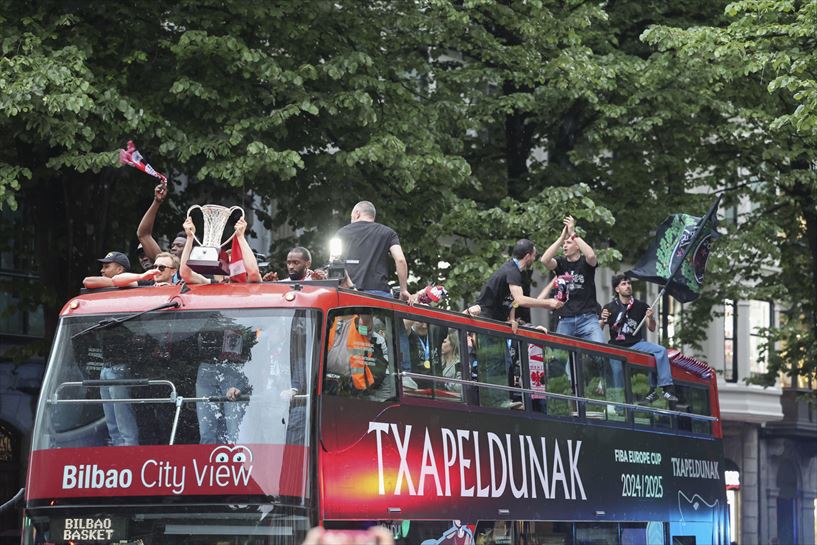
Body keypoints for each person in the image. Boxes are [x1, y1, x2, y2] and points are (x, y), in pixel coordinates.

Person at [600, 274, 678, 403]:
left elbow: (652, 328)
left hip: (636, 344)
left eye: (629, 283)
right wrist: (602, 320)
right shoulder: (609, 307)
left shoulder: (641, 306)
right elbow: (599, 329)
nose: (628, 286)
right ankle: (620, 406)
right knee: (617, 373)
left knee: (660, 350)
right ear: (617, 289)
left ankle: (665, 388)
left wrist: (651, 317)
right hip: (616, 347)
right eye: (623, 284)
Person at [540, 215, 605, 343]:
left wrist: (573, 234)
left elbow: (591, 256)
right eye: (564, 244)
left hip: (588, 319)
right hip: (565, 319)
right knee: (561, 358)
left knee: (600, 354)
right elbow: (544, 260)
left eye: (568, 243)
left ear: (577, 246)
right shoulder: (560, 263)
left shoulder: (585, 262)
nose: (564, 246)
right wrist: (561, 238)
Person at [466, 239, 564, 321]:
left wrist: (512, 319)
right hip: (487, 317)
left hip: (496, 318)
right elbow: (520, 300)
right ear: (527, 256)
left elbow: (512, 300)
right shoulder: (512, 271)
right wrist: (548, 302)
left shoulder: (514, 269)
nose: (534, 259)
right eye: (534, 255)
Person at [334, 201, 411, 301]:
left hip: (349, 293)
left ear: (357, 213)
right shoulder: (388, 233)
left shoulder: (341, 233)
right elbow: (400, 260)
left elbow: (334, 262)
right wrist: (403, 289)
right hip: (379, 294)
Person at [180, 216, 262, 284]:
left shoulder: (250, 287)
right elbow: (185, 274)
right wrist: (190, 237)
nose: (228, 270)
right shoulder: (213, 284)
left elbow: (253, 272)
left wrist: (240, 237)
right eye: (224, 264)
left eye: (233, 265)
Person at [137, 183, 187, 260]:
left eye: (179, 246)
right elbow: (144, 234)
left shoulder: (199, 270)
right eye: (173, 245)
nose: (173, 248)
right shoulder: (164, 263)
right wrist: (157, 201)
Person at [112, 252, 180, 287]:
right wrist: (141, 276)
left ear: (173, 272)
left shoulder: (179, 287)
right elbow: (115, 280)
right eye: (155, 267)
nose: (157, 270)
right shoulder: (147, 283)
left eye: (161, 267)